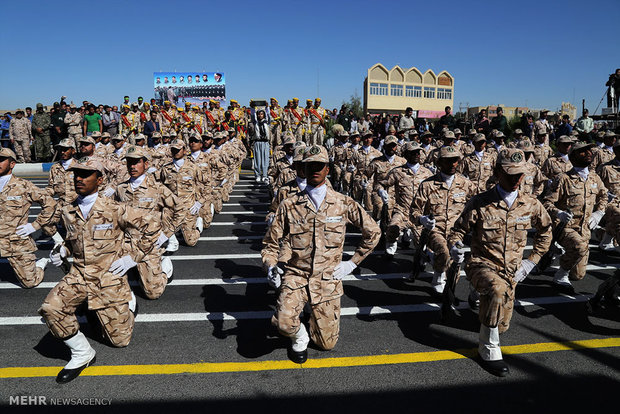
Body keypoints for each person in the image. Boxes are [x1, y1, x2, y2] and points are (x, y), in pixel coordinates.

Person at [38, 156, 159, 384]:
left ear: (100, 180)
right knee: (51, 308)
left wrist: (132, 258)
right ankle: (83, 354)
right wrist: (62, 250)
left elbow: (152, 226)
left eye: (85, 175)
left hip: (108, 278)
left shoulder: (114, 208)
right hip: (80, 275)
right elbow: (73, 240)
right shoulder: (69, 210)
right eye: (76, 175)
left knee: (120, 341)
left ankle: (128, 304)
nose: (79, 179)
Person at [261, 145, 380, 363]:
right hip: (297, 275)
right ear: (303, 169)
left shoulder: (343, 203)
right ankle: (299, 334)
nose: (314, 169)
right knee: (284, 323)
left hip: (327, 278)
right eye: (309, 165)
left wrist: (351, 264)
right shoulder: (289, 205)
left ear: (327, 169)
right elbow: (270, 243)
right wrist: (270, 266)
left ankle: (311, 314)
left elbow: (373, 232)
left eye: (320, 165)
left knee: (327, 344)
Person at [448, 148, 552, 376]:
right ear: (497, 172)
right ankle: (488, 350)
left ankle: (478, 297)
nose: (516, 179)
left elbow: (546, 231)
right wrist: (454, 246)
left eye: (520, 174)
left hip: (513, 270)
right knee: (496, 290)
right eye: (510, 174)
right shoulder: (480, 202)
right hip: (481, 264)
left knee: (502, 324)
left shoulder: (531, 203)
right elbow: (457, 230)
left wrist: (531, 262)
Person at [115, 145, 183, 296]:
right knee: (107, 277)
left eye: (136, 162)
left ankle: (165, 269)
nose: (132, 166)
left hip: (149, 243)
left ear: (146, 164)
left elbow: (180, 208)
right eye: (129, 162)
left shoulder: (157, 188)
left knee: (153, 292)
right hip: (125, 242)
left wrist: (167, 233)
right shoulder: (121, 189)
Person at [543, 141, 607, 292]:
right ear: (573, 157)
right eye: (583, 151)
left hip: (584, 229)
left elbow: (604, 196)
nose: (588, 153)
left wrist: (599, 212)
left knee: (578, 275)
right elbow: (546, 203)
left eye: (589, 150)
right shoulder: (563, 178)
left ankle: (563, 254)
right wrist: (558, 213)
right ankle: (560, 274)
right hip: (565, 227)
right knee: (580, 247)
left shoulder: (594, 178)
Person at [410, 146, 475, 294]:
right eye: (448, 161)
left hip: (457, 231)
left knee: (455, 263)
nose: (453, 164)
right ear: (439, 163)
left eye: (455, 161)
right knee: (444, 251)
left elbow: (476, 206)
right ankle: (438, 274)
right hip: (435, 230)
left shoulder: (466, 184)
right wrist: (422, 219)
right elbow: (413, 211)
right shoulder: (427, 185)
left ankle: (448, 284)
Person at [0, 147, 56, 288]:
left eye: (1, 160)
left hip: (16, 242)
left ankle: (39, 264)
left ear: (12, 164)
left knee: (30, 282)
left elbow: (50, 203)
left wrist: (35, 225)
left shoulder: (23, 186)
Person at [380, 142, 433, 258]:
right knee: (392, 228)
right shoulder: (397, 172)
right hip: (402, 210)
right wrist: (381, 191)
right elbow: (382, 184)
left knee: (423, 242)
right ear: (406, 155)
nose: (416, 155)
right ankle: (390, 249)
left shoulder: (427, 173)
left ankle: (421, 256)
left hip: (420, 214)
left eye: (417, 152)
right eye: (412, 153)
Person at [250, 110, 270, 183]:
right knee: (257, 159)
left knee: (265, 159)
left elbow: (268, 114)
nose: (260, 116)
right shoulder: (255, 122)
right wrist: (252, 107)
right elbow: (252, 116)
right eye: (259, 114)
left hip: (265, 143)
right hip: (258, 142)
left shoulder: (267, 122)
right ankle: (257, 175)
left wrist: (267, 108)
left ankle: (264, 175)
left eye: (261, 114)